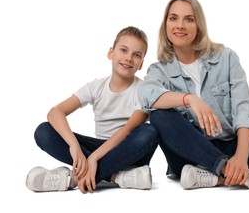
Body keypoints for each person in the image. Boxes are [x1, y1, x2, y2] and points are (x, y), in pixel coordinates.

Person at [138, 0, 249, 192]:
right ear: (165, 25)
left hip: (233, 146)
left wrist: (241, 157)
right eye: (173, 18)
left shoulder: (226, 58)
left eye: (189, 19)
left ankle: (214, 175)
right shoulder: (159, 70)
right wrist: (189, 99)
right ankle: (236, 173)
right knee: (159, 115)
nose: (180, 25)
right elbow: (145, 94)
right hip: (190, 153)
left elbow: (244, 107)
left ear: (199, 25)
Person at [26, 26, 159, 194]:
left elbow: (128, 130)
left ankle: (72, 179)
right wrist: (74, 146)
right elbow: (55, 112)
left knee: (149, 132)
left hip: (128, 151)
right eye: (123, 50)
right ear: (111, 53)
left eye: (136, 55)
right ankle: (116, 177)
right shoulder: (97, 87)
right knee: (43, 131)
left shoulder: (143, 90)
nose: (128, 58)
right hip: (97, 149)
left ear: (141, 64)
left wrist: (94, 158)